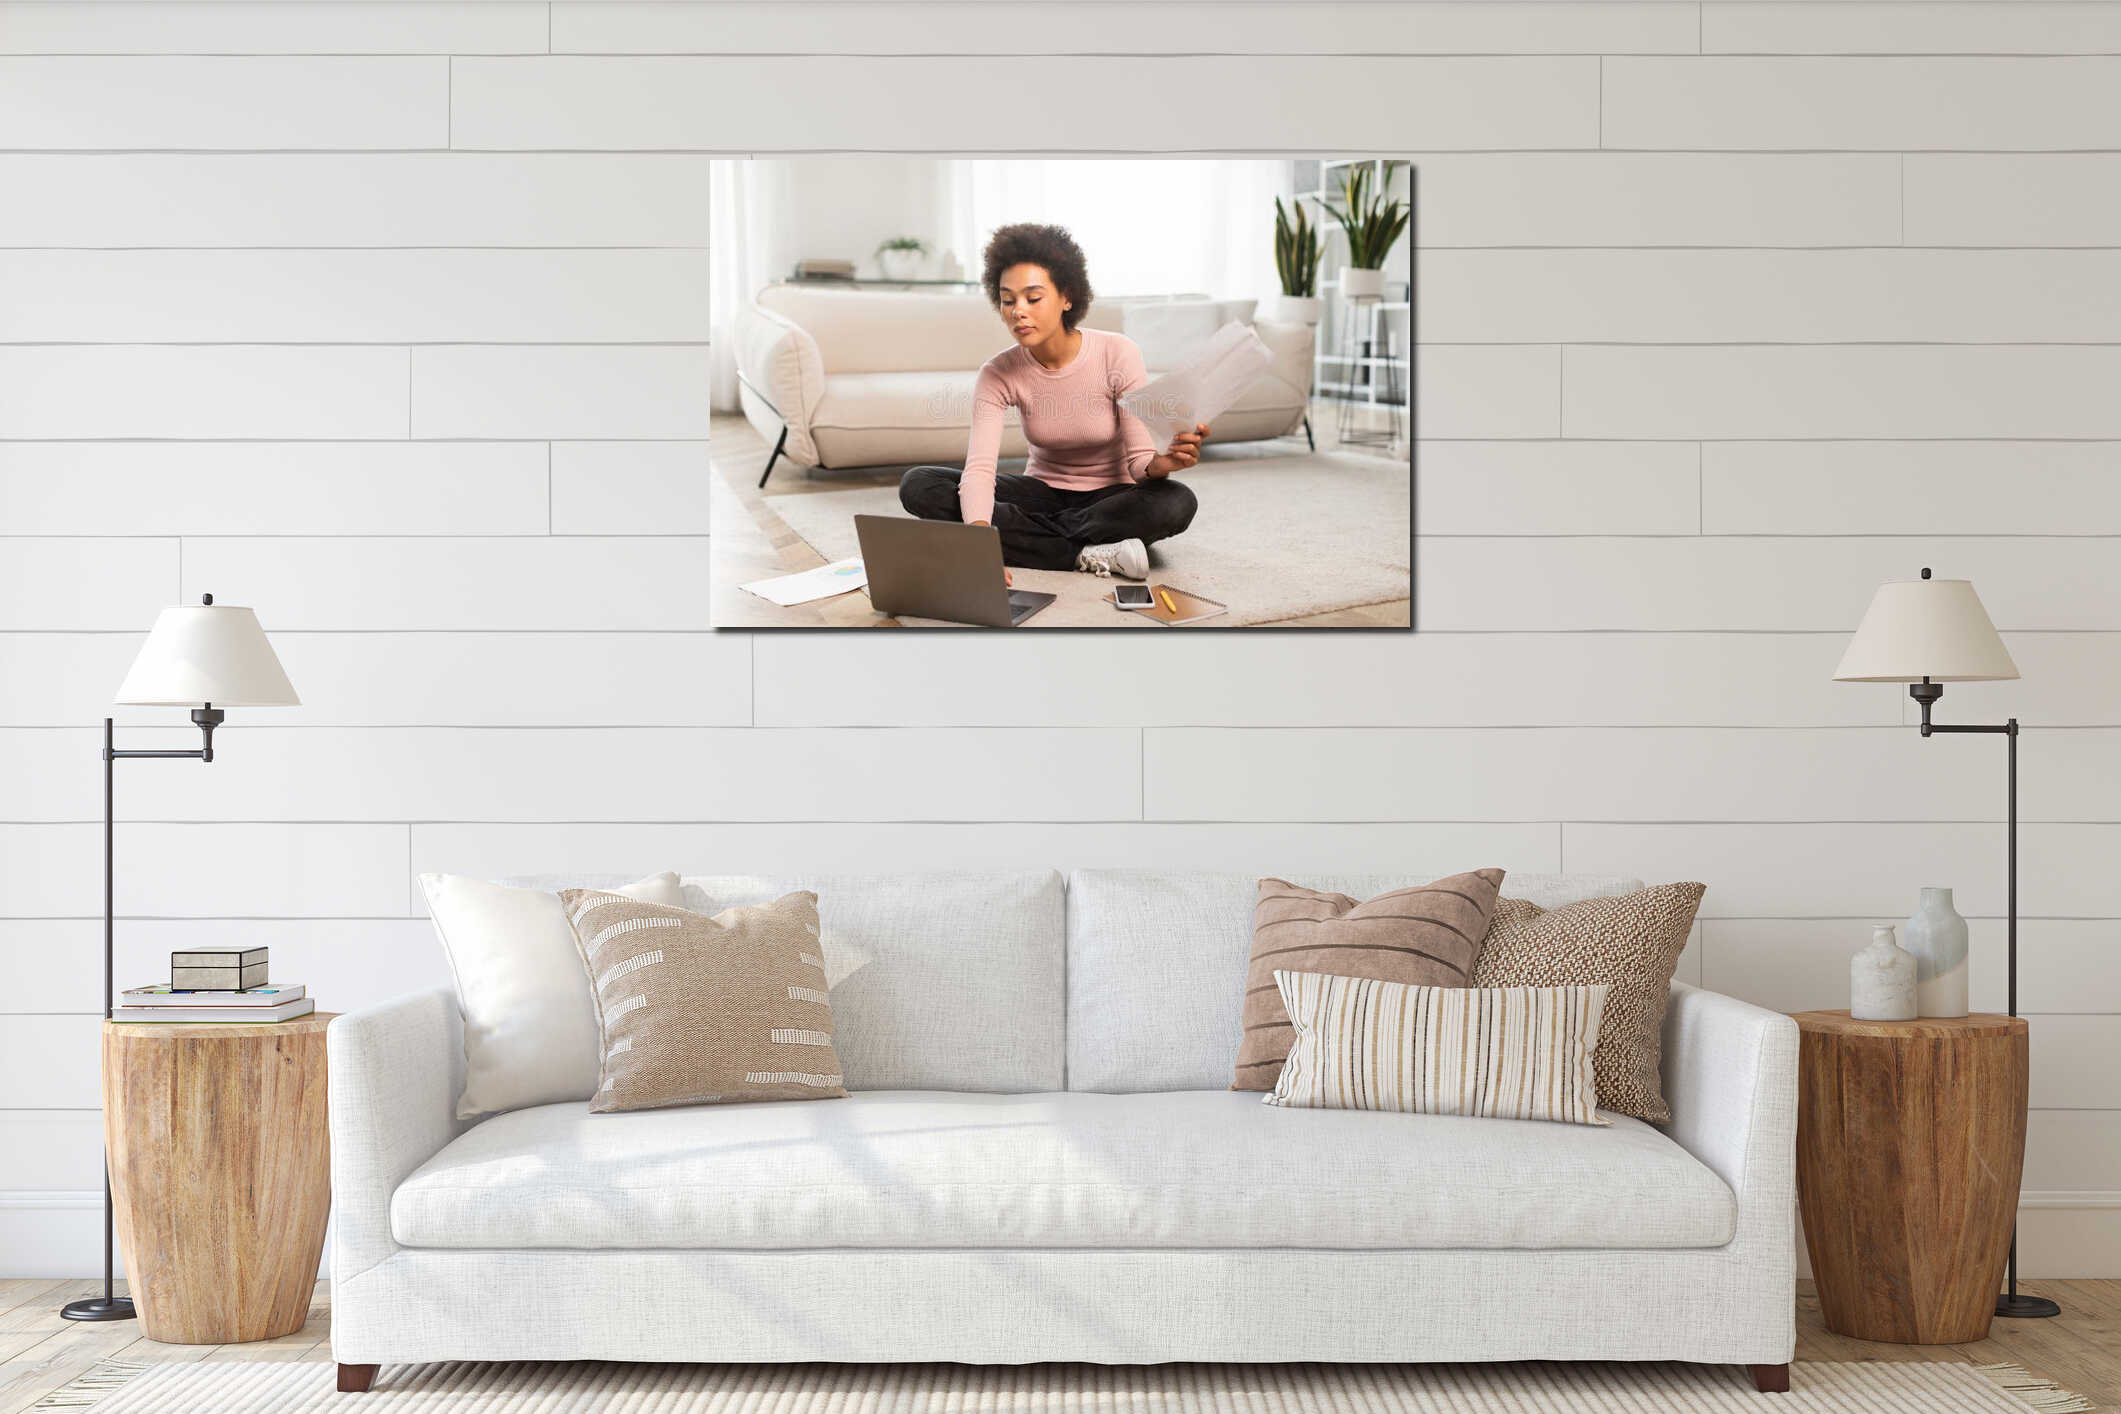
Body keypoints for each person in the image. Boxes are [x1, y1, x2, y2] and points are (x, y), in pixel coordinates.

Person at [898, 222, 1204, 582]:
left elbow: (1139, 464)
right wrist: (980, 539)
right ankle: (1085, 552)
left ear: (1067, 297)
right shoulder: (998, 373)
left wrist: (1162, 463)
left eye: (1033, 297)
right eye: (1007, 300)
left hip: (1112, 499)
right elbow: (980, 469)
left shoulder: (1116, 352)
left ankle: (1026, 541)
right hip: (1040, 492)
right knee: (919, 484)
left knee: (1177, 502)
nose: (1017, 311)